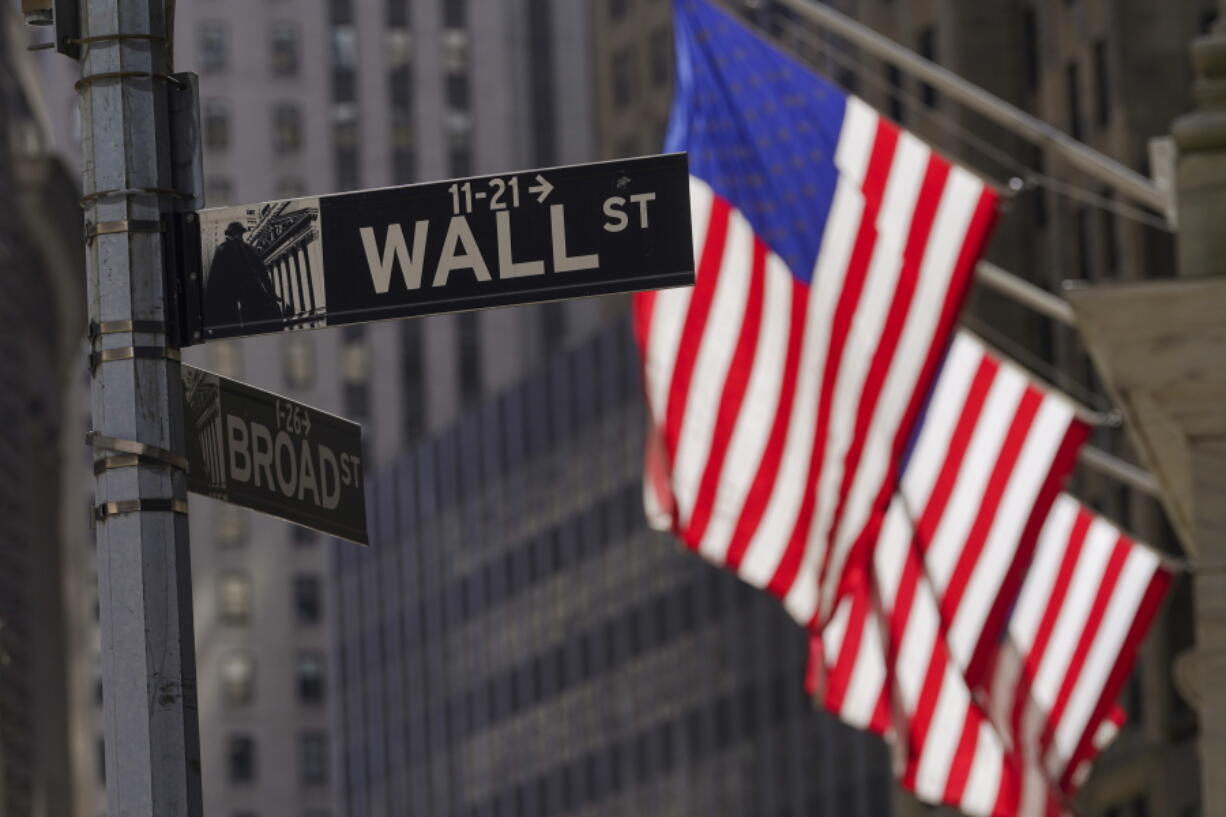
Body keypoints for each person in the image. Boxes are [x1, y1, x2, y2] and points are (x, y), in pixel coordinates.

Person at [203, 221, 288, 330]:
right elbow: (215, 279)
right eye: (237, 233)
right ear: (231, 234)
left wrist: (272, 293)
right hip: (237, 297)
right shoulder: (226, 249)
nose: (239, 236)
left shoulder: (244, 249)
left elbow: (263, 273)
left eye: (240, 233)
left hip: (249, 295)